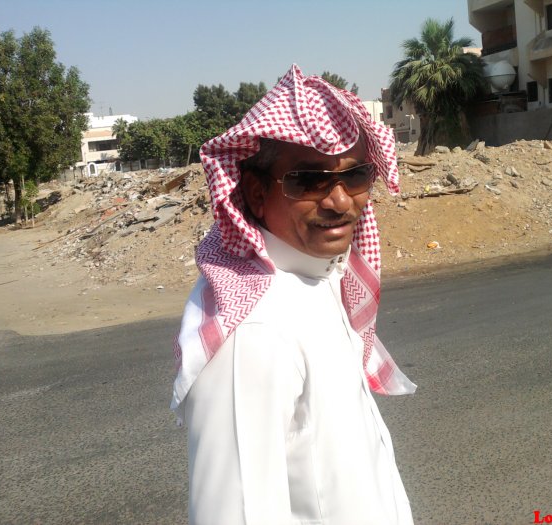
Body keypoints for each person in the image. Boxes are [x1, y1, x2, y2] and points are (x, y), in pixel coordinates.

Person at [171, 64, 416, 525]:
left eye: (356, 176)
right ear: (256, 194)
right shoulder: (255, 334)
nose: (340, 201)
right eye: (309, 180)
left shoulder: (318, 279)